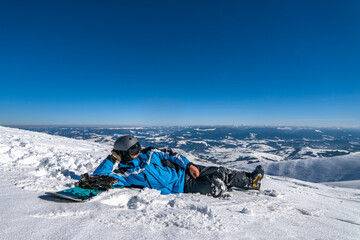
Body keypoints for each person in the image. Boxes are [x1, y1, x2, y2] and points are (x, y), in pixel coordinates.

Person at [93, 135, 264, 197]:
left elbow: (173, 155)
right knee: (217, 185)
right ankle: (233, 183)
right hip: (182, 186)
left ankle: (252, 181)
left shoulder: (151, 153)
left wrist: (189, 165)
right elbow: (98, 178)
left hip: (185, 171)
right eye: (133, 150)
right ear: (122, 154)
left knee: (221, 171)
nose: (138, 151)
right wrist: (111, 158)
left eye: (138, 146)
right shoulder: (126, 175)